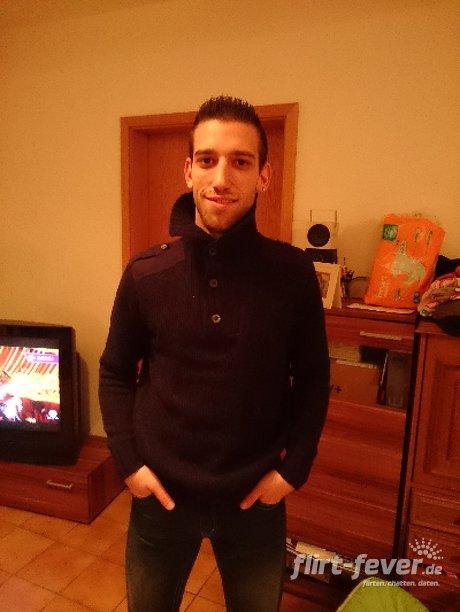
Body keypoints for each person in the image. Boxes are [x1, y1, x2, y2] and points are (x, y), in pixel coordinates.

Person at [99, 96, 330, 612]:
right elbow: (115, 371)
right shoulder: (146, 273)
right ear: (189, 170)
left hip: (254, 499)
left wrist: (294, 470)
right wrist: (128, 463)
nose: (221, 178)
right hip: (161, 496)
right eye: (207, 159)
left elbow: (314, 378)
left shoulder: (293, 275)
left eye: (240, 161)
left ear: (263, 176)